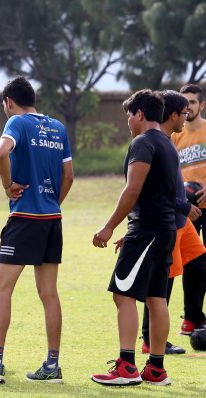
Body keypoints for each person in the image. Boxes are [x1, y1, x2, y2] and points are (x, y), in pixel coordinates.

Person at [0, 76, 73, 384]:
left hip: (25, 218)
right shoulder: (58, 128)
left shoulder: (17, 123)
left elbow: (1, 154)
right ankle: (52, 366)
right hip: (52, 220)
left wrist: (7, 186)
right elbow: (69, 176)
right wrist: (51, 203)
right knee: (49, 293)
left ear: (8, 102)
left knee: (1, 289)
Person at [91, 90, 178, 387]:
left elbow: (132, 190)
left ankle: (126, 366)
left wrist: (109, 228)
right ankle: (156, 369)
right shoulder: (167, 144)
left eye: (129, 115)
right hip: (164, 230)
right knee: (156, 298)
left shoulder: (142, 143)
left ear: (140, 113)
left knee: (123, 294)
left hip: (147, 230)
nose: (127, 121)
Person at [140, 90, 206, 354]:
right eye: (182, 110)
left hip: (181, 216)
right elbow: (152, 188)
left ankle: (193, 316)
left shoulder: (165, 140)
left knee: (200, 261)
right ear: (172, 114)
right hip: (172, 217)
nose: (186, 114)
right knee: (163, 276)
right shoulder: (158, 142)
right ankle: (150, 340)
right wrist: (183, 204)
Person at [172, 84, 206, 242]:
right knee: (189, 261)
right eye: (185, 103)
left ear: (202, 105)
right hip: (187, 208)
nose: (188, 107)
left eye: (192, 102)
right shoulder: (174, 136)